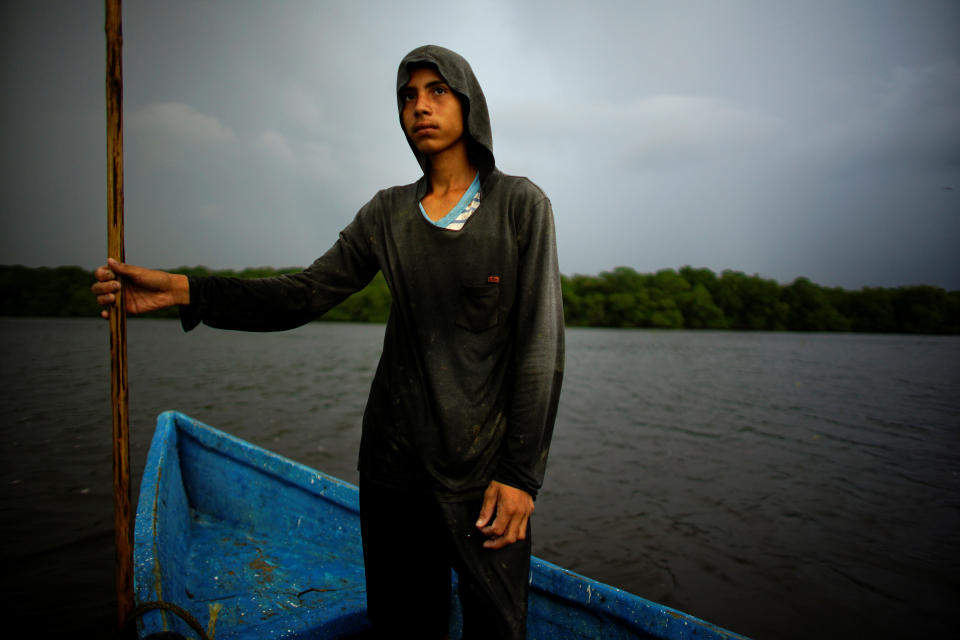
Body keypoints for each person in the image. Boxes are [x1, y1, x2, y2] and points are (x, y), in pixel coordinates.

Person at [93, 44, 564, 639]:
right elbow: (303, 294)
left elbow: (540, 352)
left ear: (469, 104)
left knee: (498, 629)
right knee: (403, 628)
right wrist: (184, 292)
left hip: (482, 478)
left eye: (437, 91)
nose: (420, 106)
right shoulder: (388, 214)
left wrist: (521, 475)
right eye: (407, 96)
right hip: (394, 471)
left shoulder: (521, 207)